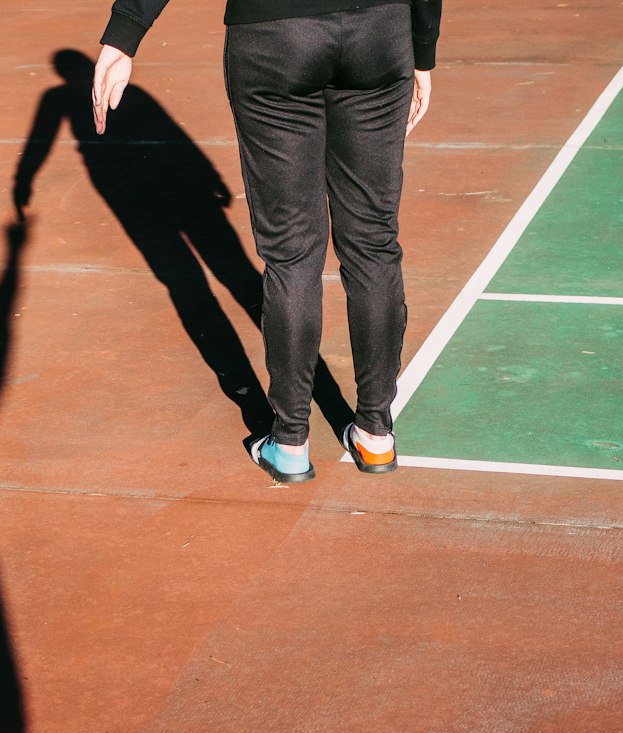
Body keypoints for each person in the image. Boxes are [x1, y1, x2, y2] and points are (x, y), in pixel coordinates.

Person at [92, 0, 441, 483]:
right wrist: (423, 49)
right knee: (374, 242)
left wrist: (125, 31)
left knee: (293, 254)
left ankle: (291, 442)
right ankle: (376, 435)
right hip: (379, 32)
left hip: (273, 39)